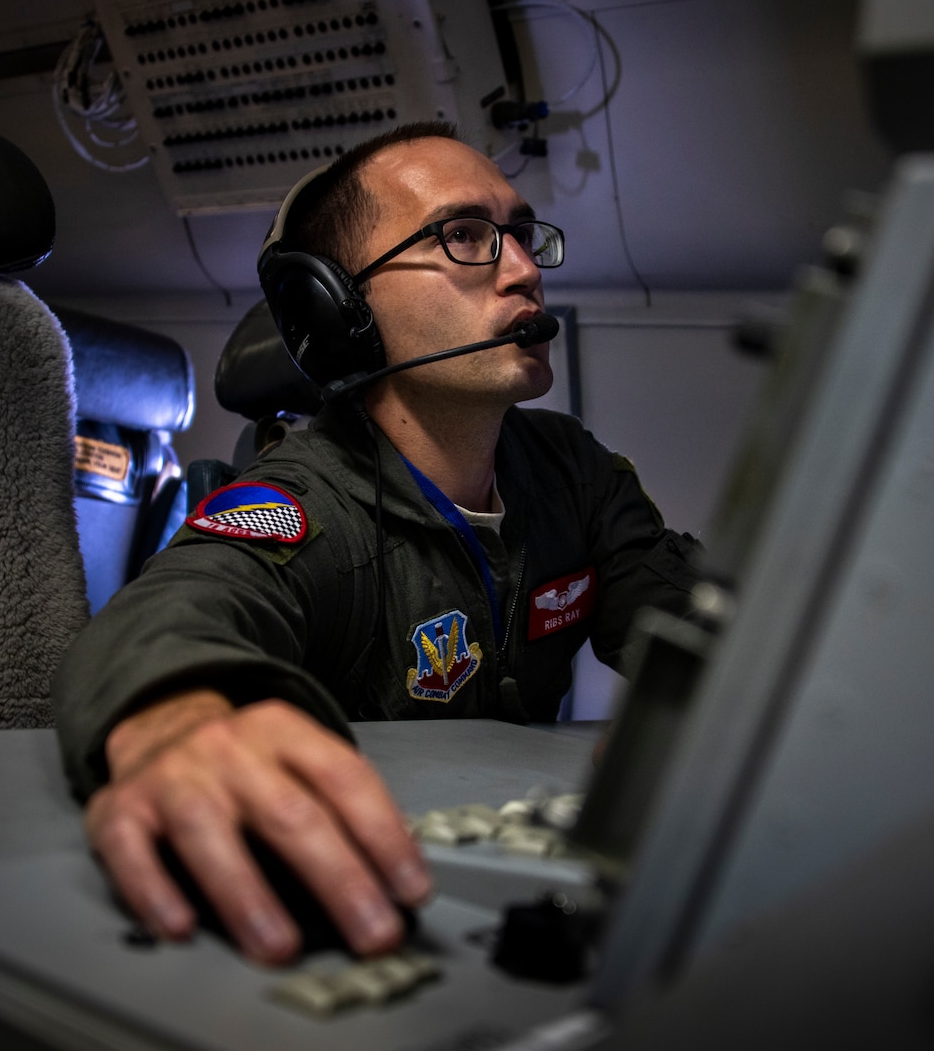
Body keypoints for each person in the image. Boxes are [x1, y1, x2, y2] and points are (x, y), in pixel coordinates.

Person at [51, 122, 701, 965]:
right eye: (464, 236)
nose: (526, 268)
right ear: (340, 306)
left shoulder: (574, 471)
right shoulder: (300, 504)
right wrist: (176, 717)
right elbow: (170, 613)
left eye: (520, 233)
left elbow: (688, 625)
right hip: (360, 902)